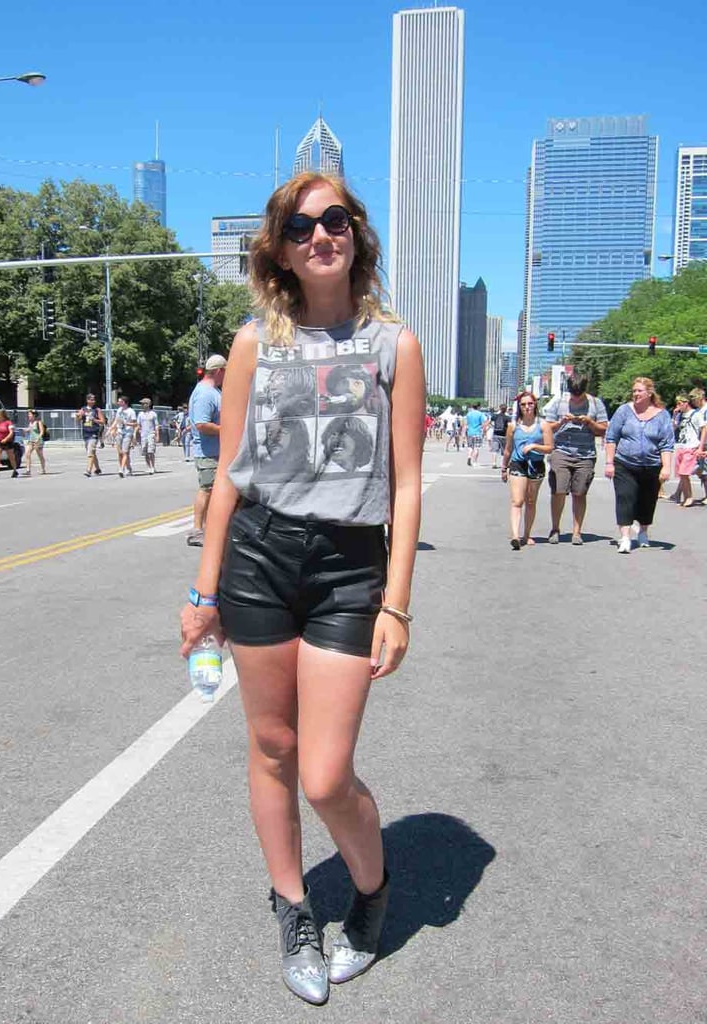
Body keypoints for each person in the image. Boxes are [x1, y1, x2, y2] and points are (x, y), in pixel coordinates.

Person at [179, 171, 424, 1005]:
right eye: (302, 226)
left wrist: (396, 602)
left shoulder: (395, 344)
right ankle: (292, 907)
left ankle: (371, 891)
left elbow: (410, 483)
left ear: (357, 233)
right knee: (272, 748)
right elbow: (228, 483)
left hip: (350, 565)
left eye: (336, 220)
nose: (321, 235)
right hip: (260, 558)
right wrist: (203, 595)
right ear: (279, 249)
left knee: (325, 774)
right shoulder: (254, 343)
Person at [604, 377, 675, 553]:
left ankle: (643, 532)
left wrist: (666, 467)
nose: (635, 394)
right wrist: (609, 463)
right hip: (625, 464)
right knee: (625, 498)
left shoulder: (662, 415)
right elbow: (611, 437)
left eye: (639, 391)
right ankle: (625, 537)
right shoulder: (624, 411)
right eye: (634, 391)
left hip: (651, 465)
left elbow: (666, 444)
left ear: (649, 393)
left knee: (647, 501)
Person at [543, 374, 608, 545]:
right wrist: (560, 422)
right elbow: (546, 427)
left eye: (579, 395)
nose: (575, 397)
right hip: (561, 452)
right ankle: (555, 528)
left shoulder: (595, 403)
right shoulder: (559, 402)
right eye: (573, 394)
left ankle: (576, 532)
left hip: (585, 454)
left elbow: (603, 429)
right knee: (558, 490)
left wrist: (589, 422)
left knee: (579, 493)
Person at [501, 391, 554, 549]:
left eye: (530, 404)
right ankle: (516, 535)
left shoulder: (543, 425)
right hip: (518, 464)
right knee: (517, 501)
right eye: (523, 404)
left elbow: (550, 447)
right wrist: (504, 467)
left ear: (535, 404)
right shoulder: (513, 426)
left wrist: (535, 446)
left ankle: (527, 534)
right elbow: (508, 450)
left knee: (531, 501)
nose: (527, 407)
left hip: (536, 464)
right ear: (519, 407)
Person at [186, 354, 227, 546]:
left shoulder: (213, 391)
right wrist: (227, 429)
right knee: (207, 490)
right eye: (225, 372)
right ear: (218, 371)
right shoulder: (205, 393)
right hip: (207, 452)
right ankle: (197, 530)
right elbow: (202, 424)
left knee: (213, 490)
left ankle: (210, 529)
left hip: (215, 451)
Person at [672, 388, 705, 508]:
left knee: (684, 472)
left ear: (686, 403)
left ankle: (689, 497)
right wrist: (675, 414)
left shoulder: (696, 414)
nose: (678, 405)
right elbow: (673, 428)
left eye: (680, 403)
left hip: (691, 447)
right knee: (682, 474)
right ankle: (685, 496)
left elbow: (704, 428)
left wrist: (700, 447)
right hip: (681, 446)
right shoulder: (680, 415)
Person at [76, 394, 106, 477]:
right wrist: (79, 415)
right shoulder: (83, 409)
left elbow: (102, 421)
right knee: (92, 452)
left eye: (94, 400)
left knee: (91, 452)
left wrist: (95, 419)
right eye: (91, 400)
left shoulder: (97, 410)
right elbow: (78, 420)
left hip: (94, 432)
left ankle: (88, 470)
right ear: (87, 400)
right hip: (86, 432)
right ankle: (97, 468)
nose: (93, 401)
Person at [108, 395, 137, 478]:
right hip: (120, 432)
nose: (118, 403)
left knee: (125, 452)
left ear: (124, 402)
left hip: (128, 433)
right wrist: (111, 429)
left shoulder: (131, 411)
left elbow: (135, 424)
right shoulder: (119, 410)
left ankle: (121, 469)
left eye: (119, 401)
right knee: (120, 452)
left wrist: (126, 423)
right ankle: (127, 468)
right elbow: (116, 420)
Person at [0, 408, 17, 480]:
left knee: (11, 457)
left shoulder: (8, 422)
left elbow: (11, 433)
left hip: (8, 441)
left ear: (2, 416)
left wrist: (6, 439)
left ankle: (14, 470)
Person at [136, 398, 160, 475]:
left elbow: (156, 425)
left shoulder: (153, 414)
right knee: (145, 451)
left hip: (151, 434)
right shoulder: (140, 414)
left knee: (151, 451)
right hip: (143, 435)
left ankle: (153, 467)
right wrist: (137, 434)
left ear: (148, 404)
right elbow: (138, 425)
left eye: (144, 403)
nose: (142, 405)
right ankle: (148, 466)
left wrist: (157, 435)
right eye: (142, 404)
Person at [22, 409, 46, 476]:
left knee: (40, 455)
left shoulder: (38, 422)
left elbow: (41, 432)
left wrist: (38, 439)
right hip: (31, 440)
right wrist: (25, 430)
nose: (28, 416)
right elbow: (30, 429)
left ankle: (43, 469)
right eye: (28, 414)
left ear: (34, 415)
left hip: (38, 441)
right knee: (27, 454)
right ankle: (28, 470)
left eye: (30, 414)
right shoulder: (30, 423)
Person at [490, 404, 510, 469]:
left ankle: (494, 463)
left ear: (500, 408)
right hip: (504, 435)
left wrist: (493, 427)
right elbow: (509, 426)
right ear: (506, 409)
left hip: (495, 434)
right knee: (503, 450)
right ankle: (503, 464)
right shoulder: (507, 417)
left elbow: (490, 422)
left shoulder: (495, 416)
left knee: (494, 450)